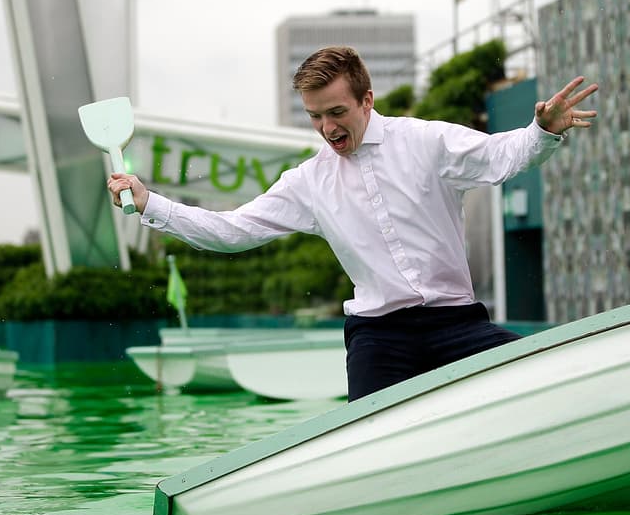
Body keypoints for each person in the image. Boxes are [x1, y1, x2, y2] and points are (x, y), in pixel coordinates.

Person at [108, 45, 599, 401]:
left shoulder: (426, 142)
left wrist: (541, 131)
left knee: (544, 377)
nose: (327, 128)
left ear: (367, 100)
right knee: (363, 440)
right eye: (314, 116)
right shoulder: (307, 182)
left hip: (457, 324)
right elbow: (233, 231)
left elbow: (500, 156)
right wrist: (151, 203)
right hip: (379, 338)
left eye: (337, 112)